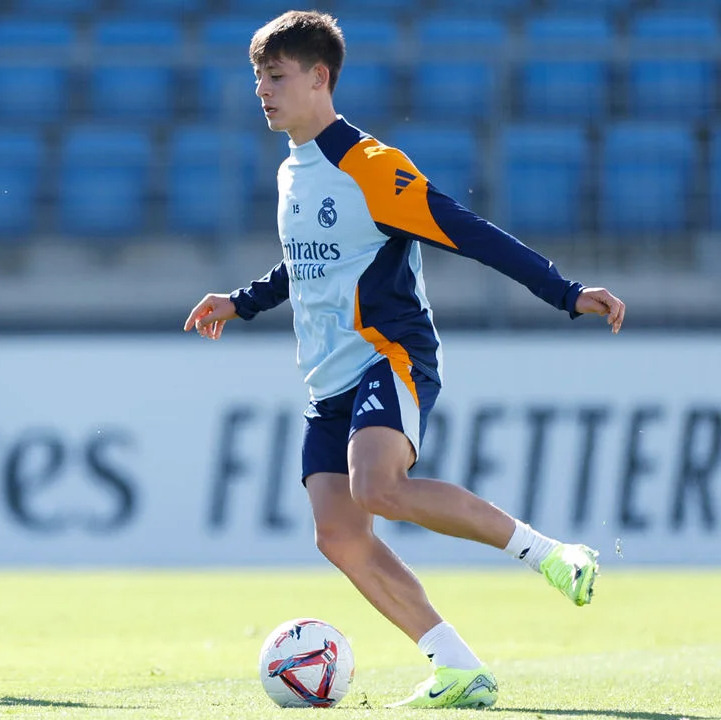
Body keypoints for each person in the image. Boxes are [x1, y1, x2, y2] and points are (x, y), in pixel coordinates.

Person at [183, 11, 626, 710]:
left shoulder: (371, 166)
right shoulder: (291, 172)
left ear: (319, 78)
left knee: (377, 488)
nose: (262, 92)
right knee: (338, 534)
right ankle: (455, 665)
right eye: (257, 79)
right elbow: (310, 264)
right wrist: (242, 300)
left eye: (275, 77)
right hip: (327, 375)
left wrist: (564, 291)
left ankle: (552, 555)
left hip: (389, 354)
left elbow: (465, 230)